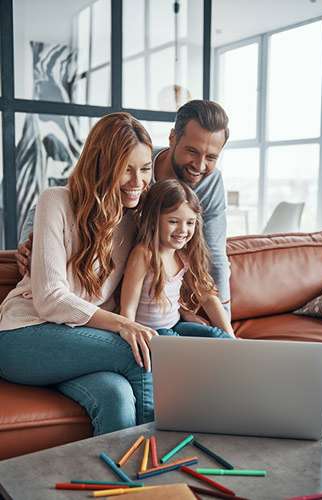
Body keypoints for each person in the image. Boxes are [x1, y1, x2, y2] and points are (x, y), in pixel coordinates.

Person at [0, 113, 172, 436]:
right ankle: (154, 468)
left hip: (77, 347)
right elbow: (50, 299)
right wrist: (122, 323)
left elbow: (181, 229)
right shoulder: (56, 201)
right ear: (102, 165)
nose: (138, 181)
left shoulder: (136, 219)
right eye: (127, 169)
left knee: (116, 396)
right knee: (139, 353)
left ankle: (113, 484)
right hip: (22, 336)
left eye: (145, 169)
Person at [17, 100, 231, 318]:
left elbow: (213, 254)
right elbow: (69, 196)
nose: (200, 165)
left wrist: (214, 322)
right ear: (172, 138)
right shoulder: (135, 154)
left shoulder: (208, 183)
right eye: (192, 151)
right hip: (75, 306)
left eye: (211, 157)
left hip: (140, 306)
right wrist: (32, 245)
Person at [121, 179, 234, 339]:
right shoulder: (144, 254)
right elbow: (128, 308)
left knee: (217, 335)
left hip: (175, 323)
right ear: (154, 220)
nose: (183, 230)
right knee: (183, 346)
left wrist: (232, 339)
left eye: (190, 222)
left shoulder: (184, 254)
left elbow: (208, 298)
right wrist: (131, 339)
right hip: (153, 332)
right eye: (173, 221)